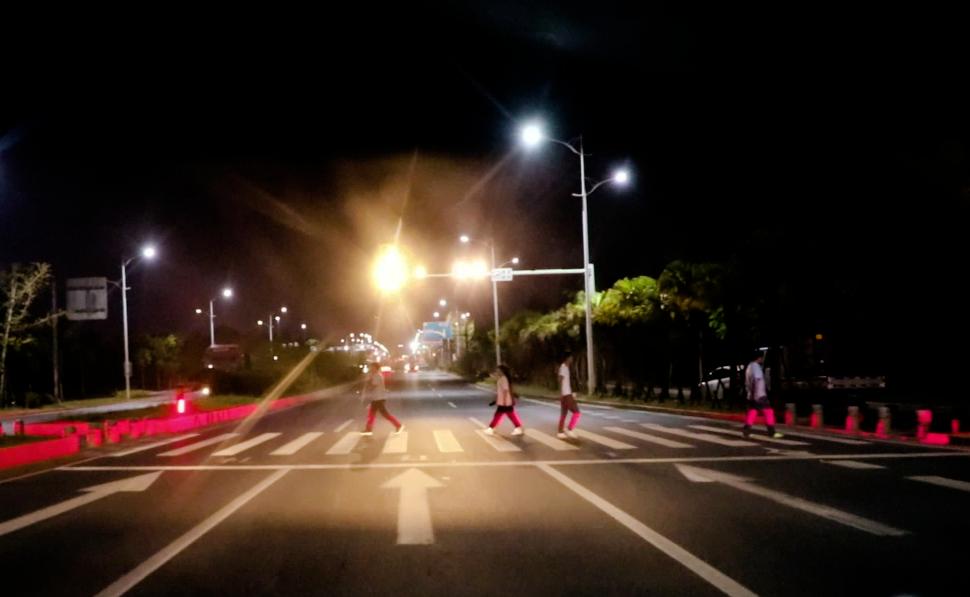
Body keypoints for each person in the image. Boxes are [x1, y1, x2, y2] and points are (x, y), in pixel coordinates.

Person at [743, 350, 782, 438]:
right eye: (762, 357)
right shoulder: (756, 367)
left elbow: (749, 382)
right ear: (759, 358)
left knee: (752, 412)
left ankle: (746, 431)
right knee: (768, 412)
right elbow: (756, 381)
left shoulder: (749, 366)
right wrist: (756, 395)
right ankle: (772, 432)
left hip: (752, 395)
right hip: (759, 395)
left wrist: (751, 395)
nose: (762, 359)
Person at [360, 362, 404, 436]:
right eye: (371, 367)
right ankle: (368, 429)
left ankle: (398, 425)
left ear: (376, 368)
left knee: (384, 414)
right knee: (371, 414)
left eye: (372, 367)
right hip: (376, 398)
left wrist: (368, 381)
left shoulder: (377, 376)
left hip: (379, 398)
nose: (371, 369)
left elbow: (373, 386)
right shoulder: (375, 375)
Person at [484, 365, 523, 436]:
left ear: (502, 371)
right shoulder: (502, 378)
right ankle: (518, 428)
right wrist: (497, 399)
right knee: (510, 415)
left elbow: (505, 390)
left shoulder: (503, 378)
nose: (497, 371)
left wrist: (504, 401)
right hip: (504, 401)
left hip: (505, 402)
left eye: (498, 370)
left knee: (498, 415)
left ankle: (491, 428)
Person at [557, 353, 581, 439]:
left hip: (567, 393)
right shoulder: (563, 367)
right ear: (567, 358)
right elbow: (560, 380)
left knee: (563, 414)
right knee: (577, 412)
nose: (572, 359)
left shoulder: (566, 367)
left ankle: (560, 432)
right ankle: (569, 429)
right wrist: (561, 394)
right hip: (566, 394)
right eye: (571, 357)